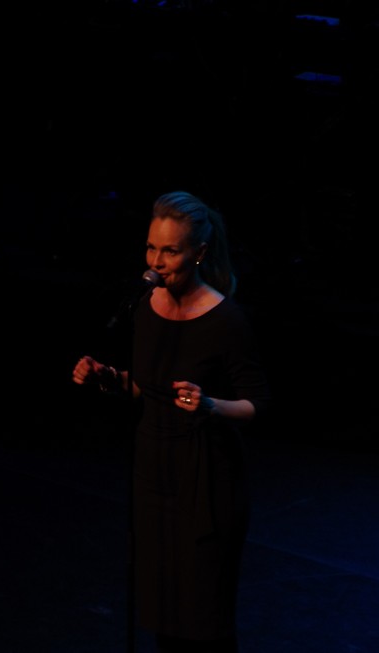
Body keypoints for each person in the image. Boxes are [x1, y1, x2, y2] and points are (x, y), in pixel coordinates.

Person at [72, 190, 271, 652]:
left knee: (202, 620)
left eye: (170, 251)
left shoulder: (226, 320)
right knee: (163, 612)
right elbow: (148, 388)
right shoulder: (146, 307)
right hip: (153, 473)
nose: (156, 262)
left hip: (205, 482)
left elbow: (259, 405)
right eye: (151, 248)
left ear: (198, 253)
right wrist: (108, 379)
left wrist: (210, 405)